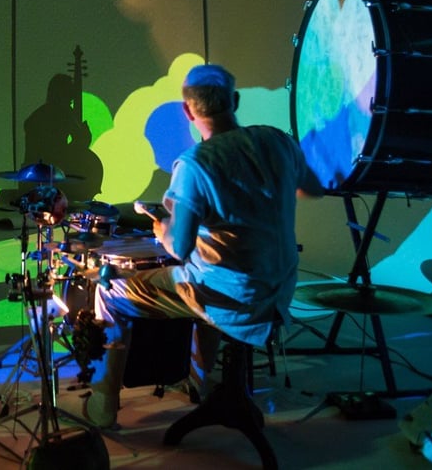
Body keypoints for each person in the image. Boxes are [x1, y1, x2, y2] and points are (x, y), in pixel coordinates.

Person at [82, 64, 325, 429]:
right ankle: (197, 382)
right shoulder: (278, 141)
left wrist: (160, 224)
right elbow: (310, 188)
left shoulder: (196, 165)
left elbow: (178, 247)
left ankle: (103, 406)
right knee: (208, 268)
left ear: (187, 110)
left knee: (110, 290)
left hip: (229, 295)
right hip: (278, 291)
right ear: (235, 101)